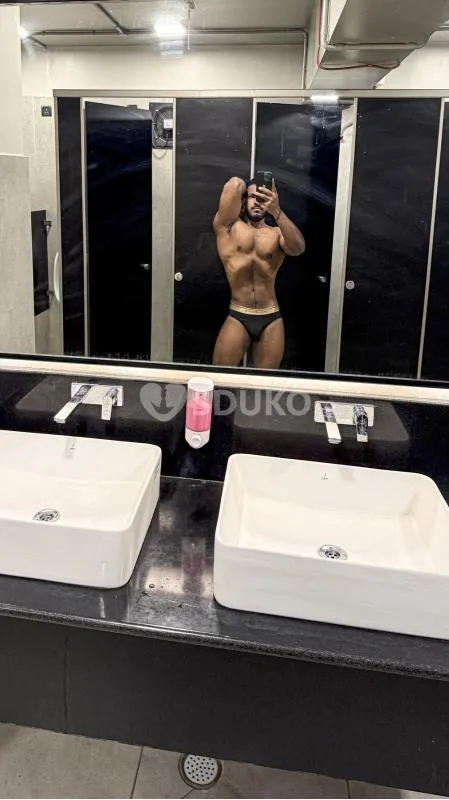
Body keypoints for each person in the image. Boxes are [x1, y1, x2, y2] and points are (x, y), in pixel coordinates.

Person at [212, 176, 305, 368]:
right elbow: (234, 184)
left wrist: (277, 211)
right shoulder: (228, 227)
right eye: (253, 197)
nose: (257, 202)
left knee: (265, 382)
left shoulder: (277, 233)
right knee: (220, 377)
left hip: (271, 316)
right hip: (238, 313)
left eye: (263, 199)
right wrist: (244, 188)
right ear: (244, 200)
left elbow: (298, 248)